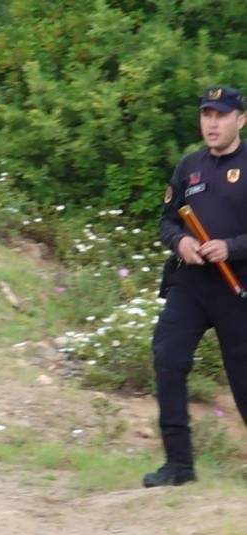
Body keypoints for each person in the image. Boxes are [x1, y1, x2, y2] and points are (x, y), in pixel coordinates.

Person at [148, 85, 247, 487]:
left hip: (238, 287)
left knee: (244, 382)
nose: (212, 122)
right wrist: (182, 242)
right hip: (190, 284)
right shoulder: (189, 166)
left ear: (240, 119)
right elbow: (167, 221)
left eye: (221, 115)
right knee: (168, 358)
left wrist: (233, 247)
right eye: (207, 114)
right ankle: (179, 466)